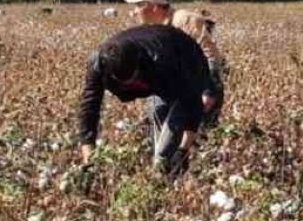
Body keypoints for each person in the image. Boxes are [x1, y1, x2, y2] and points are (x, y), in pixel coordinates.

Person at [78, 24, 215, 176]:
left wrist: (184, 149)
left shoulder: (162, 61)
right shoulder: (98, 65)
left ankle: (161, 175)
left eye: (134, 78)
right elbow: (89, 107)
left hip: (188, 59)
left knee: (168, 145)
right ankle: (164, 171)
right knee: (158, 117)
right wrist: (89, 155)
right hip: (160, 63)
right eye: (126, 83)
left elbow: (192, 101)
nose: (132, 84)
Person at [124, 0, 226, 125]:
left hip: (201, 89)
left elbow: (211, 56)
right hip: (177, 90)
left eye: (138, 5)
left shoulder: (184, 20)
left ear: (153, 7)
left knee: (199, 135)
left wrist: (209, 91)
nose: (134, 11)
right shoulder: (154, 29)